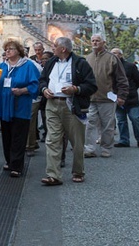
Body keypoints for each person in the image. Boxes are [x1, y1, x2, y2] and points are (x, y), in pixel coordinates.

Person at [39, 37, 97, 185]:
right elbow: (42, 79)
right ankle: (54, 175)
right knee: (52, 140)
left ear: (63, 49)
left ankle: (78, 171)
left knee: (76, 141)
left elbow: (91, 85)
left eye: (55, 46)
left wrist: (76, 89)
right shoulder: (51, 62)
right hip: (52, 104)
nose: (52, 48)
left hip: (71, 105)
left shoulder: (80, 63)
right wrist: (44, 89)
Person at [0, 38, 40, 177]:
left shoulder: (28, 66)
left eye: (11, 49)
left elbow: (36, 84)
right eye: (6, 49)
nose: (7, 51)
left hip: (20, 105)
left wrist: (22, 91)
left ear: (18, 51)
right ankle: (9, 161)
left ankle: (17, 165)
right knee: (6, 135)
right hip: (5, 105)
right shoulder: (3, 66)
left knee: (18, 136)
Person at [83, 34, 128, 158]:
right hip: (91, 98)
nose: (95, 43)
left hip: (108, 98)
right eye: (92, 41)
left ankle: (106, 148)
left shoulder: (112, 58)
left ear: (104, 42)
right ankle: (89, 148)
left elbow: (121, 78)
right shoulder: (88, 58)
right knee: (89, 124)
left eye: (97, 41)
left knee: (107, 126)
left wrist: (122, 96)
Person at [112, 48, 139, 148]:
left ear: (121, 55)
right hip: (116, 97)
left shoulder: (130, 66)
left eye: (115, 53)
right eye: (111, 53)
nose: (113, 55)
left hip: (131, 98)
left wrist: (132, 89)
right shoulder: (110, 66)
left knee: (135, 119)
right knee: (121, 121)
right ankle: (124, 140)